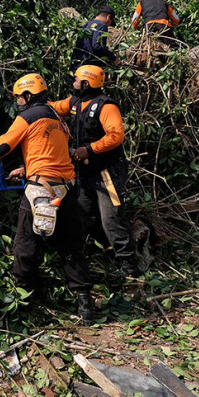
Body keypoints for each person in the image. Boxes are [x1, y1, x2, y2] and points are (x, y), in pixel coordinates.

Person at [0, 73, 95, 321]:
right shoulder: (57, 119)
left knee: (25, 244)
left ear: (28, 95)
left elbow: (2, 147)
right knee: (71, 246)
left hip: (40, 191)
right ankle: (85, 304)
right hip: (65, 190)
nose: (18, 102)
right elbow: (52, 155)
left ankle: (22, 300)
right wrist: (27, 169)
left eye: (20, 97)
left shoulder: (28, 117)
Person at [51, 65, 140, 277]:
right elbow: (53, 107)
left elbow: (116, 136)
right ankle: (88, 256)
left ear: (86, 83)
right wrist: (32, 103)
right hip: (85, 174)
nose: (73, 83)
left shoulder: (106, 106)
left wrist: (88, 150)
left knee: (112, 217)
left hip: (108, 173)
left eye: (76, 80)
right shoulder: (75, 103)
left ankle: (128, 266)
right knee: (83, 214)